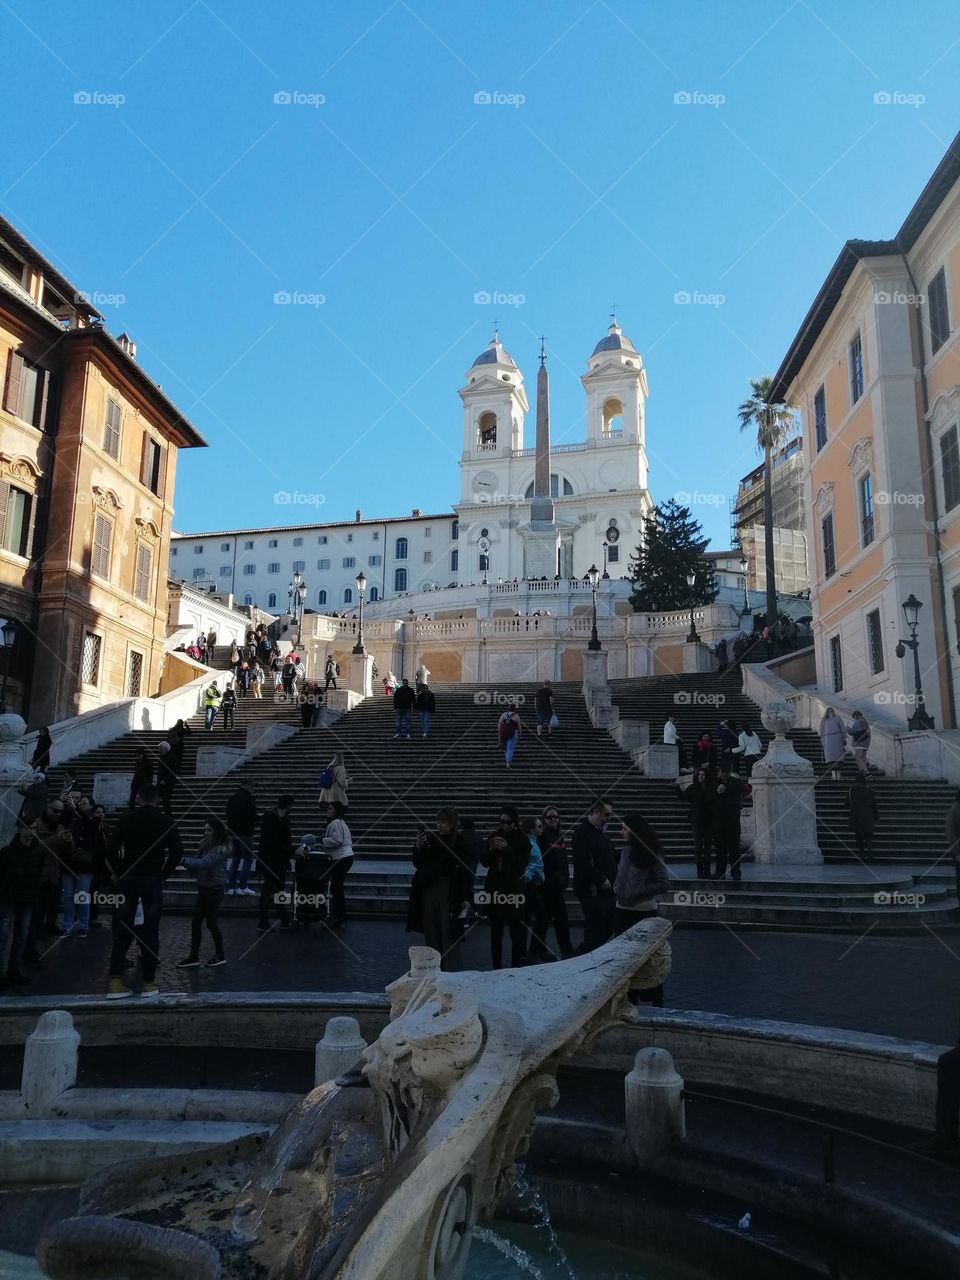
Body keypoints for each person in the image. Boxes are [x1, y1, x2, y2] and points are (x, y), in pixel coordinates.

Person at [104, 784, 184, 999]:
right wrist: (162, 874)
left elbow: (110, 850)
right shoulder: (166, 821)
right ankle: (149, 982)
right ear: (158, 800)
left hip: (128, 879)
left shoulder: (125, 819)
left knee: (122, 930)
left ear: (138, 797)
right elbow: (177, 851)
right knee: (150, 932)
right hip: (151, 880)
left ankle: (115, 981)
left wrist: (122, 871)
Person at [613, 812, 669, 1006]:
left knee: (649, 959)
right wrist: (617, 888)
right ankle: (629, 999)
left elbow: (663, 883)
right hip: (622, 911)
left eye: (624, 828)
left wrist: (638, 891)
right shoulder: (625, 852)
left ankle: (655, 999)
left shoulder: (653, 852)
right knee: (624, 959)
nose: (621, 832)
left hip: (644, 912)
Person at [406, 808, 473, 968]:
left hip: (449, 891)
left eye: (444, 822)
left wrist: (466, 896)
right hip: (429, 890)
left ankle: (450, 967)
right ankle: (434, 966)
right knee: (431, 928)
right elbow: (419, 863)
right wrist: (418, 846)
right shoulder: (431, 839)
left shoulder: (460, 842)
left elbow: (465, 872)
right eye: (438, 822)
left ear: (451, 824)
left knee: (447, 930)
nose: (440, 826)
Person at [177, 816, 231, 968]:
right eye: (205, 829)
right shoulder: (205, 845)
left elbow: (205, 863)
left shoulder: (222, 848)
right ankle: (193, 957)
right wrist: (188, 864)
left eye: (209, 830)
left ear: (217, 831)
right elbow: (197, 863)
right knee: (196, 922)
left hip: (215, 890)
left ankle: (220, 955)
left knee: (211, 923)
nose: (206, 832)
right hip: (203, 887)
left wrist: (184, 861)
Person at [479, 805, 530, 969]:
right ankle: (496, 967)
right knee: (496, 933)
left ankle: (515, 966)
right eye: (502, 822)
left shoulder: (523, 839)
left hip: (514, 890)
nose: (505, 825)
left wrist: (507, 849)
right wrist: (492, 850)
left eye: (509, 822)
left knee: (516, 933)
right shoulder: (493, 837)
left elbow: (521, 864)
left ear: (515, 822)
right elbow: (484, 861)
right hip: (495, 889)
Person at [0, 824, 46, 989]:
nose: (31, 831)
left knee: (21, 936)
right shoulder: (7, 852)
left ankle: (13, 970)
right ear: (19, 829)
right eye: (28, 828)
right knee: (3, 937)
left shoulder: (39, 852)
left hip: (27, 900)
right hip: (8, 899)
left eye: (33, 828)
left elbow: (40, 874)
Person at [572, 798, 617, 951]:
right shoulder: (581, 832)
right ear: (596, 812)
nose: (609, 818)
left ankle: (586, 951)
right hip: (592, 890)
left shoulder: (600, 832)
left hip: (607, 890)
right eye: (607, 815)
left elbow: (611, 855)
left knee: (609, 925)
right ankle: (585, 954)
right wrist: (600, 880)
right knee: (596, 928)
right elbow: (582, 862)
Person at [539, 805, 573, 958]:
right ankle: (566, 949)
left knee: (546, 919)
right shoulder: (542, 837)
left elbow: (563, 860)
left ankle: (537, 950)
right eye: (549, 817)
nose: (553, 819)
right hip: (548, 885)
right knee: (559, 918)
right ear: (544, 819)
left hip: (558, 884)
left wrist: (564, 878)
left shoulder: (560, 836)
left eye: (555, 817)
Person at [257, 794, 295, 932]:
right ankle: (264, 922)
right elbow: (273, 841)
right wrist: (290, 851)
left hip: (279, 861)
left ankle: (284, 919)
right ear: (289, 806)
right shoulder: (271, 818)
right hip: (270, 861)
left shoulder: (279, 818)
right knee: (269, 891)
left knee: (278, 891)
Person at [62, 796, 97, 936]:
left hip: (84, 863)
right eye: (80, 802)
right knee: (68, 896)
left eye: (84, 803)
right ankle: (67, 925)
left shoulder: (92, 820)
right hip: (68, 861)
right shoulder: (72, 817)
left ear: (91, 806)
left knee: (82, 895)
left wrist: (76, 810)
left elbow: (89, 827)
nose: (81, 804)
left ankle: (83, 924)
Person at [320, 800, 353, 928]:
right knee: (337, 887)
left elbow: (337, 840)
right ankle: (340, 916)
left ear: (336, 811)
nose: (328, 811)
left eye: (330, 809)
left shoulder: (335, 823)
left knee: (336, 888)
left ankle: (339, 917)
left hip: (341, 858)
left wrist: (322, 840)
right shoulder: (342, 822)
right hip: (347, 856)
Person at [519, 816, 547, 961]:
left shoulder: (533, 841)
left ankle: (527, 952)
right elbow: (526, 863)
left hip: (533, 883)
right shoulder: (529, 843)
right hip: (530, 884)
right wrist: (530, 875)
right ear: (531, 829)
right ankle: (529, 952)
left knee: (530, 917)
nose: (541, 828)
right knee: (538, 917)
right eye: (539, 826)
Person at [226, 780, 259, 896]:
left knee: (235, 858)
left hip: (233, 833)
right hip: (245, 833)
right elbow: (252, 816)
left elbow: (228, 815)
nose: (253, 789)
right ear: (247, 786)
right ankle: (242, 886)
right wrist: (260, 818)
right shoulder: (249, 799)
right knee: (248, 859)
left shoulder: (232, 798)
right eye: (252, 786)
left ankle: (231, 886)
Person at [712, 767, 745, 881]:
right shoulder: (714, 783)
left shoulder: (735, 782)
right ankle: (719, 872)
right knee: (720, 848)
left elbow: (741, 790)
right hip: (719, 820)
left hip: (732, 819)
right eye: (722, 772)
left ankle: (736, 872)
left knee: (734, 848)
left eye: (726, 772)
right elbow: (709, 797)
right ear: (719, 772)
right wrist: (717, 792)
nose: (724, 775)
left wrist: (725, 788)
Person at [687, 767, 714, 878]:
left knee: (707, 847)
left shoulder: (711, 787)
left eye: (702, 774)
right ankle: (699, 870)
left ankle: (707, 870)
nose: (700, 776)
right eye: (699, 775)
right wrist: (677, 788)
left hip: (708, 820)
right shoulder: (694, 787)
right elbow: (684, 796)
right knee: (698, 847)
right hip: (697, 820)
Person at [847, 772, 879, 862]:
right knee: (868, 836)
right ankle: (870, 851)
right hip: (868, 816)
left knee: (858, 836)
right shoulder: (870, 791)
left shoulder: (852, 790)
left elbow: (847, 803)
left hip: (856, 815)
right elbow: (874, 805)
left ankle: (861, 854)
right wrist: (876, 816)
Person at [819, 708, 845, 781]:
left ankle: (838, 776)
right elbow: (821, 730)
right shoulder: (824, 720)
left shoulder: (837, 718)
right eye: (829, 712)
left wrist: (843, 736)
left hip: (836, 738)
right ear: (827, 712)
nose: (830, 713)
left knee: (837, 758)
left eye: (831, 711)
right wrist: (822, 738)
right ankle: (834, 775)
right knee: (831, 758)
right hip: (828, 739)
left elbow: (842, 727)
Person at [155, 742, 179, 816]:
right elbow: (159, 771)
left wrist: (165, 780)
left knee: (165, 800)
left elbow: (173, 771)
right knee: (156, 799)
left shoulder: (172, 757)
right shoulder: (161, 757)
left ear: (165, 748)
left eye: (161, 748)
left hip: (168, 783)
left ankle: (168, 815)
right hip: (160, 782)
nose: (160, 750)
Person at [498, 701, 522, 768]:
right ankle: (508, 763)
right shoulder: (516, 716)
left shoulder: (504, 714)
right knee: (510, 748)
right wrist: (520, 733)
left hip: (503, 733)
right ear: (514, 709)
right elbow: (519, 726)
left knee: (506, 748)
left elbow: (499, 723)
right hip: (512, 734)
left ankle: (507, 761)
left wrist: (500, 732)